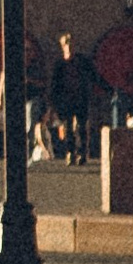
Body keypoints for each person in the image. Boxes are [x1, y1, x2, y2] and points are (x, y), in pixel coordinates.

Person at [49, 33, 91, 168]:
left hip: (80, 98)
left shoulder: (82, 62)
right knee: (68, 128)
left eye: (72, 44)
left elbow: (92, 76)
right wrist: (53, 102)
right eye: (67, 45)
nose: (70, 47)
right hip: (66, 99)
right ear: (63, 47)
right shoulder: (60, 64)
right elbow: (54, 84)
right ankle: (70, 152)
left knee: (81, 127)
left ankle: (82, 153)